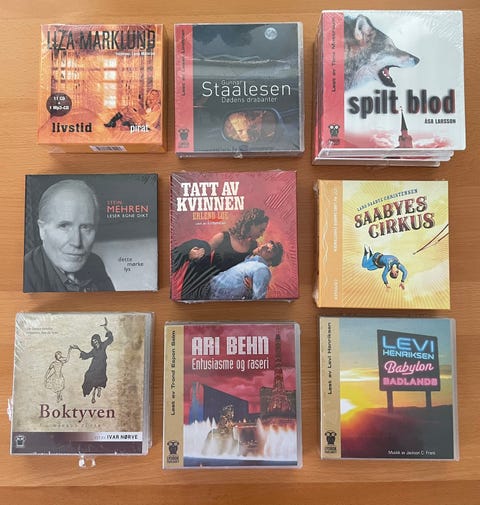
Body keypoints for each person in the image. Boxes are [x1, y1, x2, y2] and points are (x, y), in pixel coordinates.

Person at [23, 179, 115, 292]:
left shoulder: (95, 264)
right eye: (64, 226)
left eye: (85, 227)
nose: (76, 242)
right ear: (42, 230)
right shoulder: (24, 276)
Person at [172, 208, 270, 300]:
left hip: (232, 292)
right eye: (261, 230)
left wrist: (252, 287)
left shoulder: (254, 246)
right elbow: (203, 253)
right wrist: (192, 254)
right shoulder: (223, 237)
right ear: (252, 224)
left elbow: (256, 271)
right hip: (210, 286)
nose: (261, 234)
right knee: (201, 245)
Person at [207, 240, 284, 300]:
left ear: (270, 262)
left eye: (268, 251)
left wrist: (250, 291)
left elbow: (258, 300)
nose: (262, 246)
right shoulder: (249, 261)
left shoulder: (262, 269)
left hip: (213, 295)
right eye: (265, 245)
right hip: (209, 289)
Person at [71, 318, 113, 404]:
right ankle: (93, 395)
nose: (95, 342)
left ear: (98, 340)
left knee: (99, 379)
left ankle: (98, 390)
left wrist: (106, 327)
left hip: (101, 366)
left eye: (96, 340)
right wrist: (78, 349)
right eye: (93, 341)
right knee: (88, 376)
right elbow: (87, 355)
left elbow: (110, 339)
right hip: (94, 366)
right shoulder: (93, 350)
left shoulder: (103, 345)